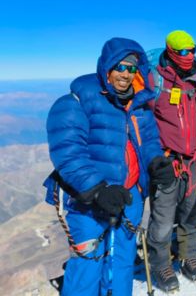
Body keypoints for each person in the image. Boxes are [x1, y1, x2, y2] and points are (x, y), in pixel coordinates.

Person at [43, 37, 166, 295]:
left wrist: (155, 162)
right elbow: (68, 152)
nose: (125, 73)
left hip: (129, 194)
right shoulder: (77, 100)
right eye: (120, 67)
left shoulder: (139, 105)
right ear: (107, 68)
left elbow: (150, 140)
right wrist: (97, 190)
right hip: (88, 198)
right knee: (88, 262)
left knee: (122, 262)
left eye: (131, 68)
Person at [147, 30, 196, 292]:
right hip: (168, 163)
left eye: (193, 50)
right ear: (170, 51)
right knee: (162, 220)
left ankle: (189, 257)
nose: (190, 56)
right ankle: (161, 264)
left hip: (194, 161)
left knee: (191, 214)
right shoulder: (154, 81)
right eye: (184, 51)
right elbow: (144, 122)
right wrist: (155, 158)